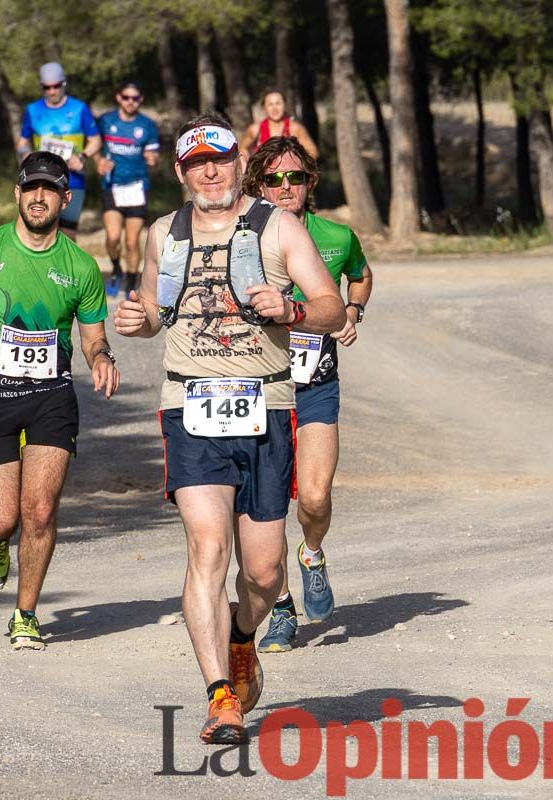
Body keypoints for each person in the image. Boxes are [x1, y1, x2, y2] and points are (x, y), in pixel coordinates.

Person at [113, 113, 344, 743]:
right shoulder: (164, 233)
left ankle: (243, 637)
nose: (209, 172)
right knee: (207, 548)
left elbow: (331, 305)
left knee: (265, 573)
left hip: (266, 407)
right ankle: (220, 696)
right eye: (195, 164)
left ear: (239, 163)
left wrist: (293, 308)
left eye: (218, 159)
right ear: (182, 173)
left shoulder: (280, 226)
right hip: (189, 409)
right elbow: (153, 313)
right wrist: (136, 320)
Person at [0, 152, 119, 651]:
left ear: (66, 198)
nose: (39, 196)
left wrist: (102, 357)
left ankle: (25, 614)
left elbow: (92, 338)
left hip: (51, 398)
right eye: (30, 187)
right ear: (18, 194)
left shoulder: (81, 267)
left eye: (50, 188)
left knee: (39, 511)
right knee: (2, 518)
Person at [240, 137, 373, 653]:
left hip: (315, 386)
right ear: (256, 184)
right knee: (267, 506)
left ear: (310, 182)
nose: (285, 187)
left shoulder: (336, 237)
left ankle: (312, 553)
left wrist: (353, 312)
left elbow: (360, 278)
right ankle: (280, 610)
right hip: (257, 391)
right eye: (273, 179)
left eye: (295, 177)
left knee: (314, 495)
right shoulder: (241, 237)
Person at [16, 62, 102, 239]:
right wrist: (26, 154)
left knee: (68, 233)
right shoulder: (32, 110)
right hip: (42, 179)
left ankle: (68, 267)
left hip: (73, 180)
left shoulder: (79, 108)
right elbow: (23, 141)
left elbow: (96, 140)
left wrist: (82, 157)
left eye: (56, 86)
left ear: (63, 84)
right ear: (42, 87)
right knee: (39, 230)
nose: (52, 91)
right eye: (47, 87)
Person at [96, 79, 160, 298]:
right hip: (112, 185)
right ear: (118, 97)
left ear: (140, 99)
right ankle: (115, 269)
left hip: (136, 187)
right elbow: (94, 144)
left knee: (132, 241)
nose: (130, 102)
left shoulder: (147, 125)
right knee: (113, 237)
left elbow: (154, 155)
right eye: (126, 97)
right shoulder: (106, 121)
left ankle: (132, 279)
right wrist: (98, 161)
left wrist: (153, 160)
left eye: (135, 98)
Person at [238, 89, 319, 159]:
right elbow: (242, 149)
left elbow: (313, 152)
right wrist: (250, 165)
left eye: (278, 103)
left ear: (284, 105)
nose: (275, 108)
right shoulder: (255, 129)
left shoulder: (295, 128)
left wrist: (297, 162)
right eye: (270, 104)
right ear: (264, 108)